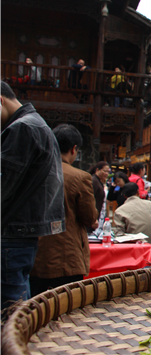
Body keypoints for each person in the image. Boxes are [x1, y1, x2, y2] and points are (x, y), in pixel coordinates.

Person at [1, 81, 65, 311]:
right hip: (20, 233)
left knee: (10, 313)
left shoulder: (23, 128)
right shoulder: (35, 124)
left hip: (11, 233)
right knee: (17, 309)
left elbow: (3, 184)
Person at [30, 124, 98, 296]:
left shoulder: (33, 172)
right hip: (67, 255)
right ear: (74, 149)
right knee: (68, 303)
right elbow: (89, 217)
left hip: (35, 253)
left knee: (34, 304)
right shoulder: (79, 177)